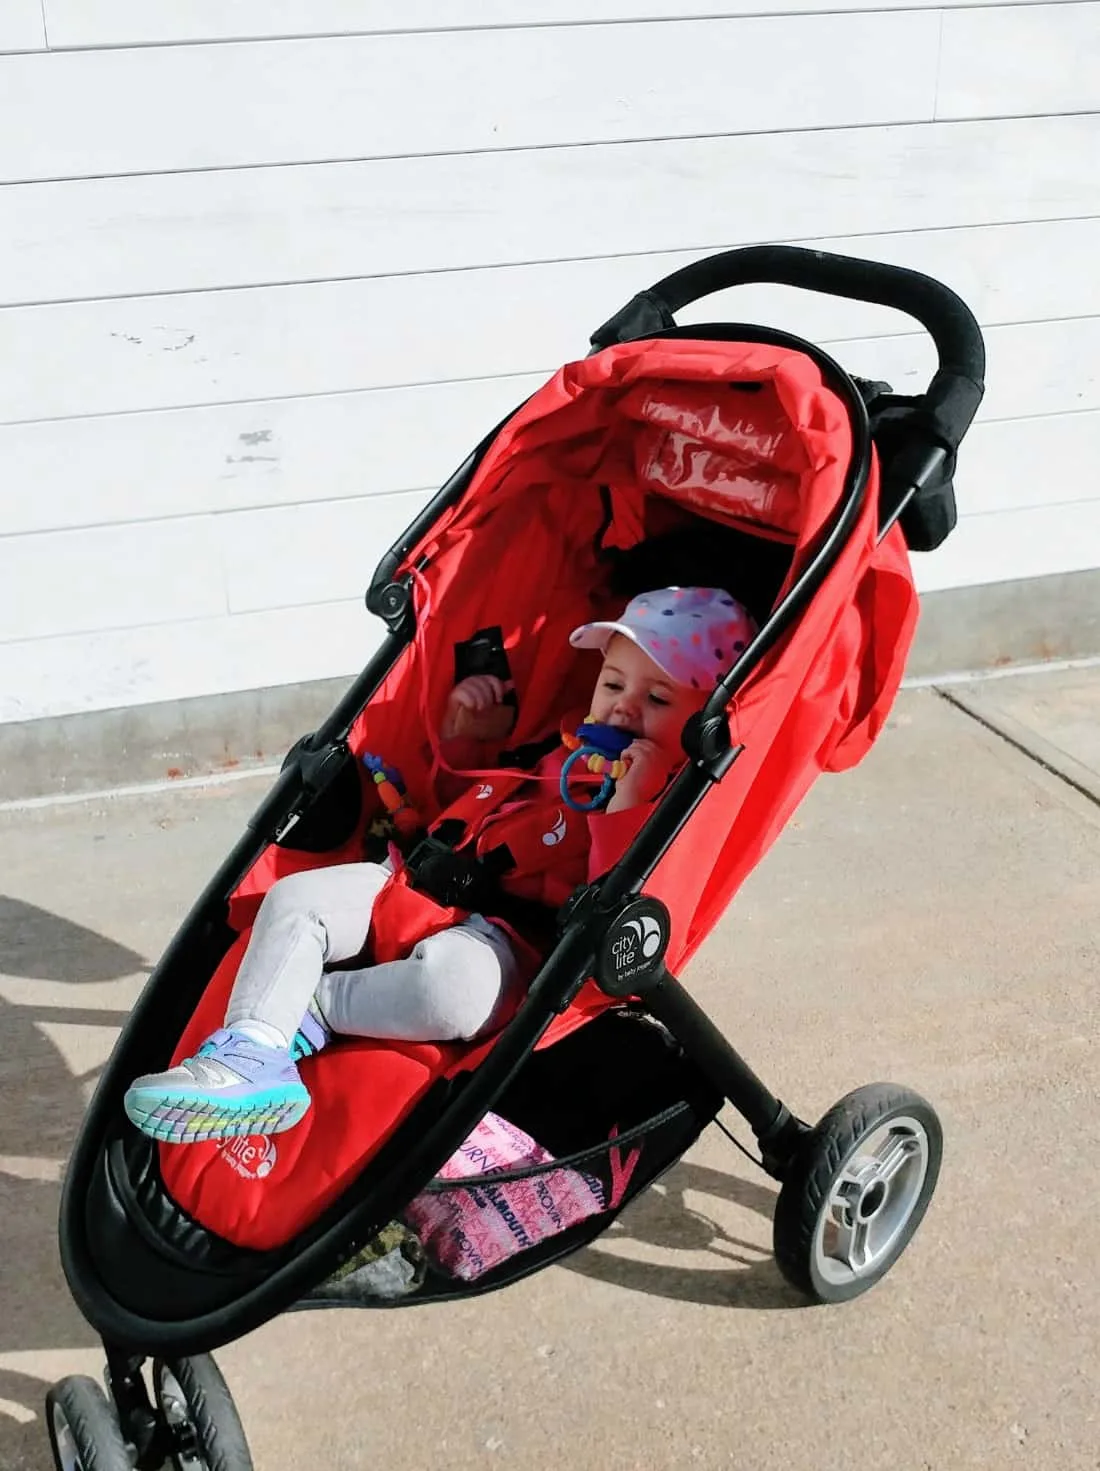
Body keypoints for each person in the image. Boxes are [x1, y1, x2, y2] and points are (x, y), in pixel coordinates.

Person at [124, 587, 756, 1145]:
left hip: (501, 940)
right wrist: (469, 735)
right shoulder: (557, 749)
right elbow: (461, 792)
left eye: (659, 697)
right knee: (296, 900)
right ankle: (252, 1052)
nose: (623, 708)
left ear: (702, 722)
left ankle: (315, 1006)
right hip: (410, 880)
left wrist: (626, 804)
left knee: (454, 995)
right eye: (613, 684)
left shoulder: (664, 801)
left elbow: (613, 900)